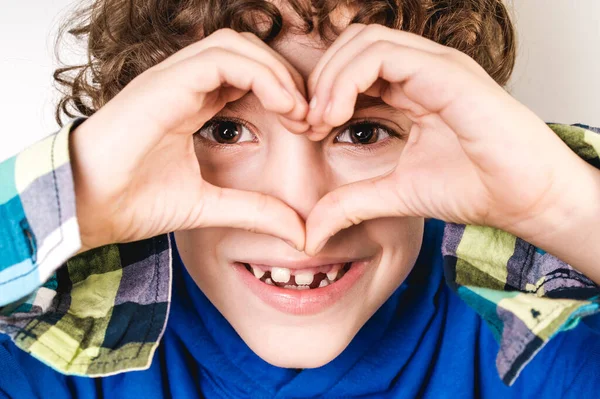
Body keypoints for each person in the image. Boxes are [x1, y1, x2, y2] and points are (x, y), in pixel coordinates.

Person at [1, 0, 600, 397]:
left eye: (363, 133)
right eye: (227, 130)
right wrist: (79, 196)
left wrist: (563, 206)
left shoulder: (542, 344)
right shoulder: (41, 352)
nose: (301, 214)